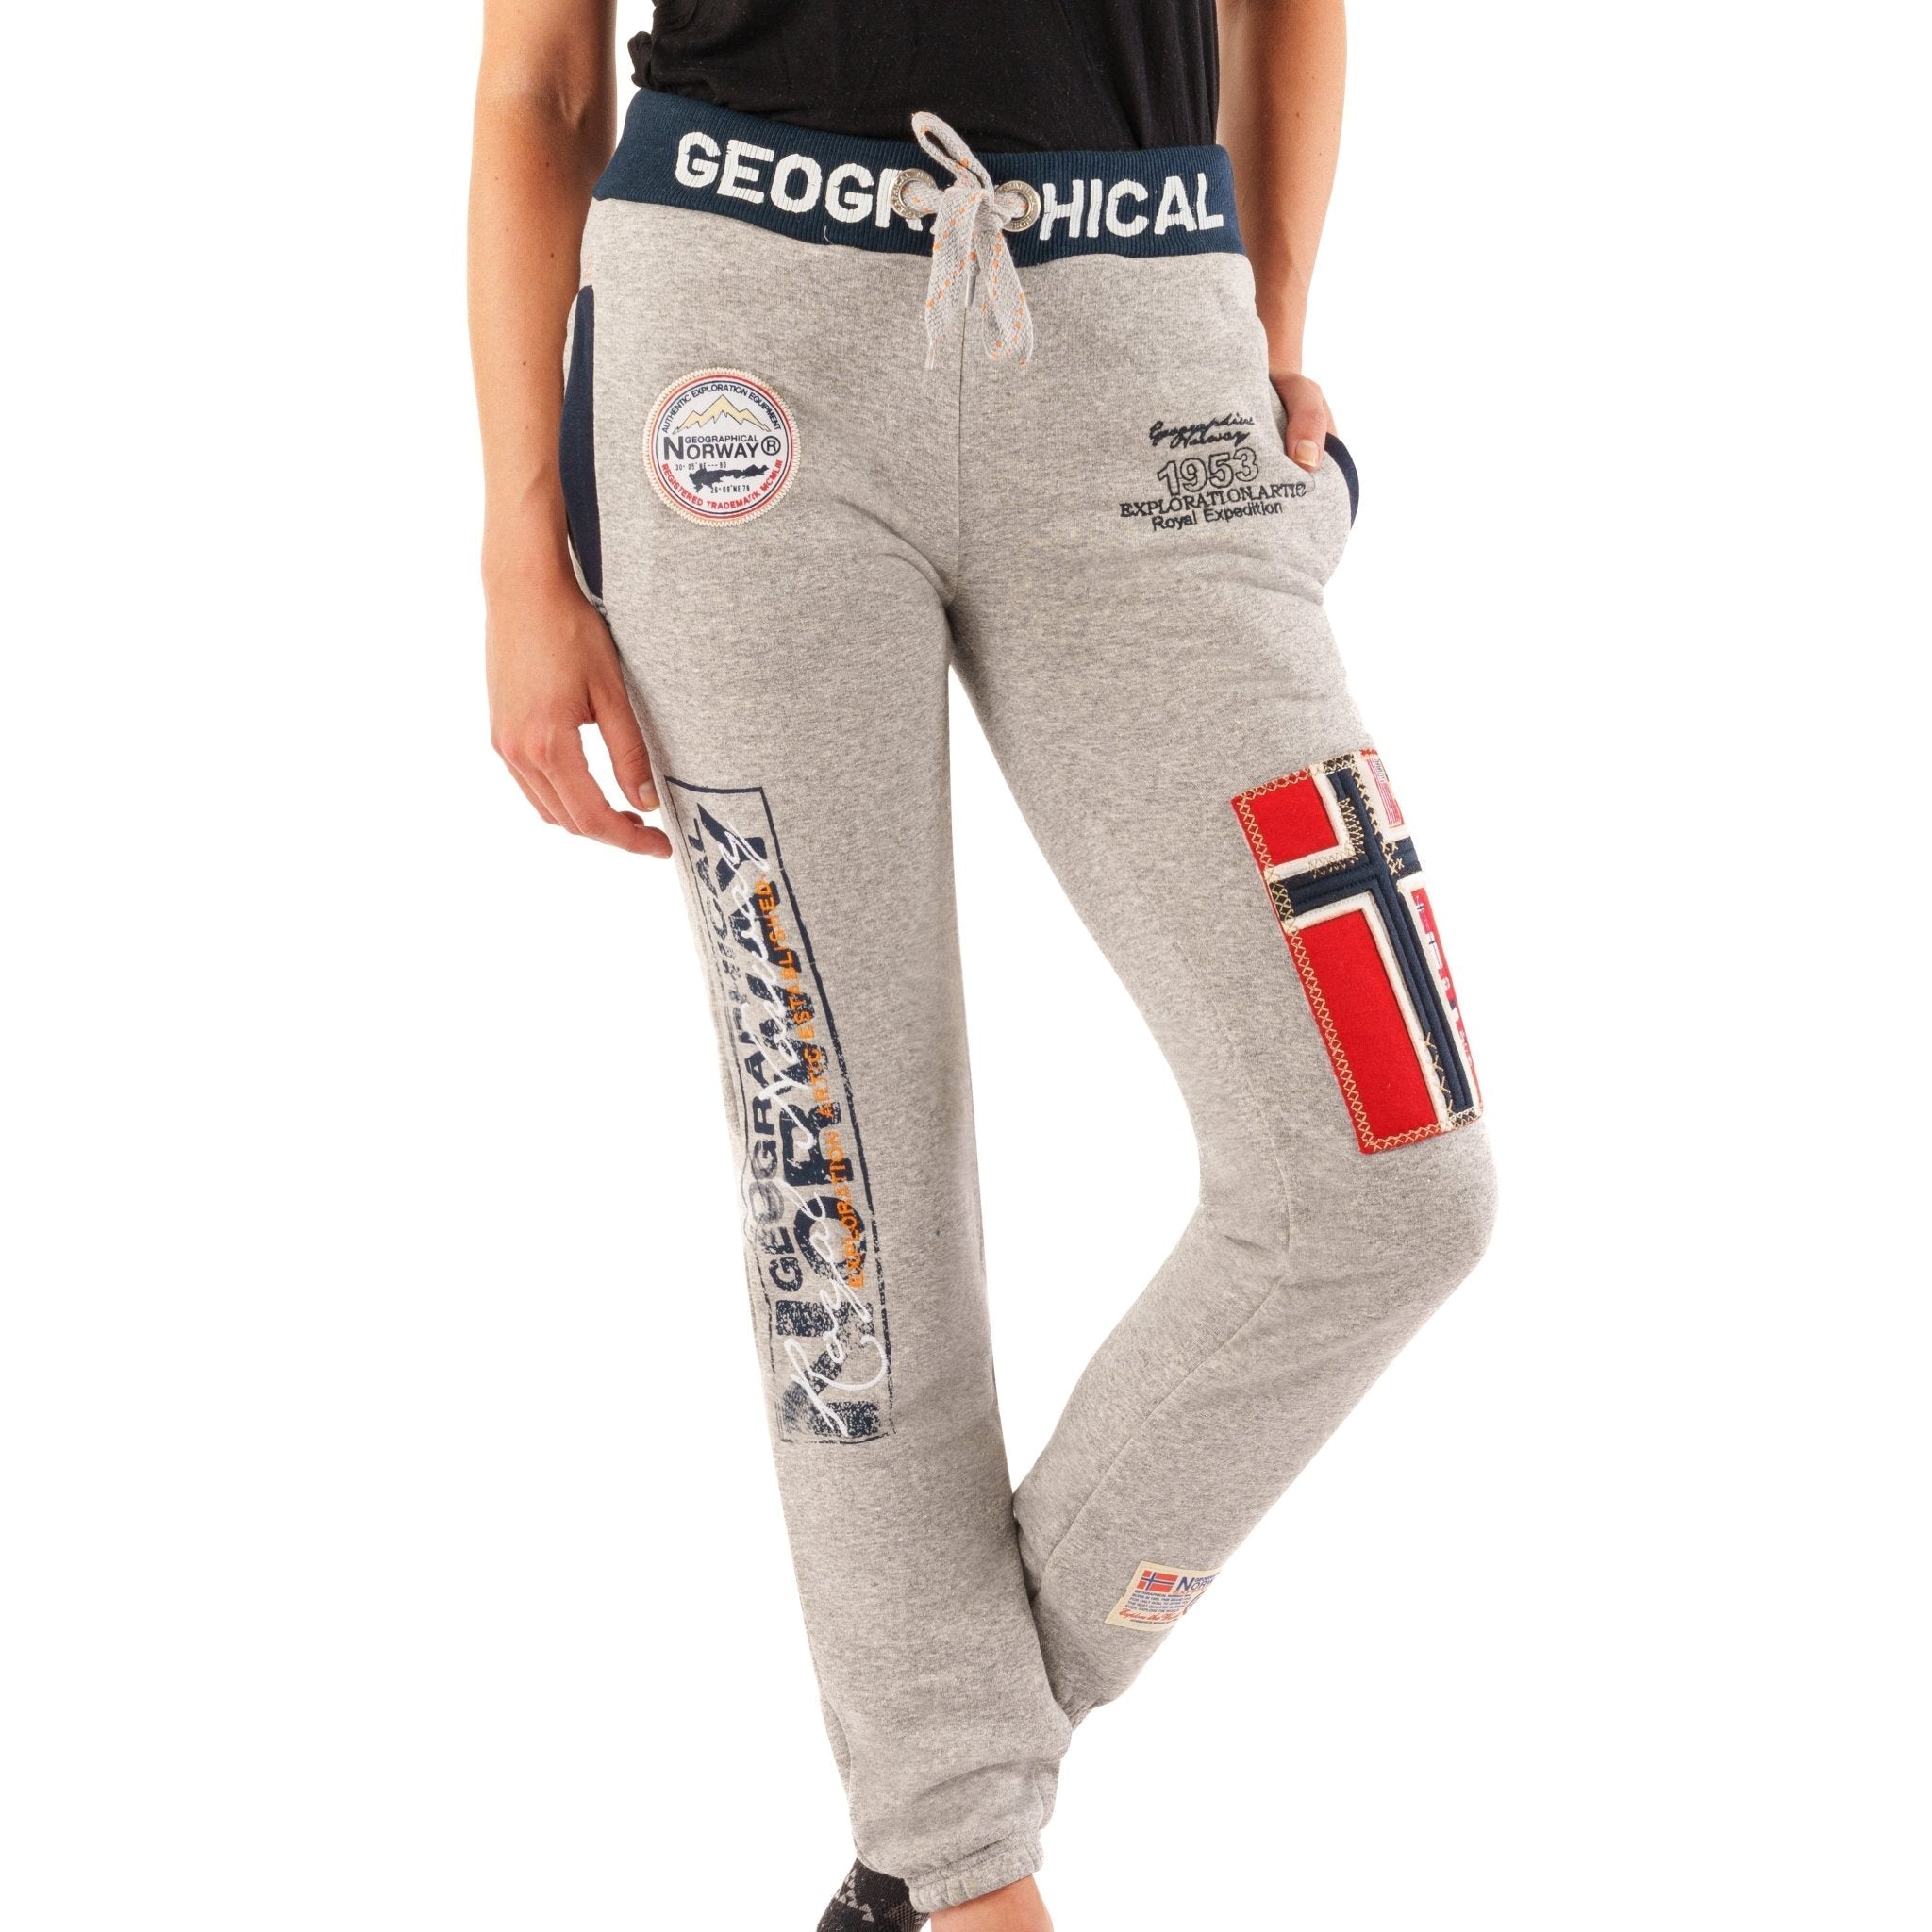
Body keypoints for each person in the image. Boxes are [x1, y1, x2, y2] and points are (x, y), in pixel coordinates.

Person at [467, 3, 1497, 1925]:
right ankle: (964, 1877)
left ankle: (936, 1807)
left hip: (1147, 347)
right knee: (846, 1185)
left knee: (1391, 1172)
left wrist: (1263, 333)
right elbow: (539, 78)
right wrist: (521, 550)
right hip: (734, 358)